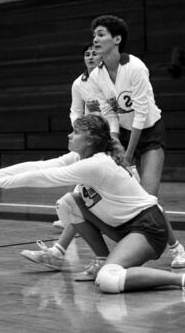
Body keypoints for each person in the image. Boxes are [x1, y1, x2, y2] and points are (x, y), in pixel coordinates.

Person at [0, 114, 185, 294]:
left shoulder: (96, 164)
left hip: (148, 228)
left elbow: (44, 178)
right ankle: (102, 260)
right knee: (68, 203)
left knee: (108, 279)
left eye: (76, 132)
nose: (70, 135)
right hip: (123, 228)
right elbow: (37, 167)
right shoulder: (79, 158)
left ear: (90, 139)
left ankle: (180, 280)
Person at [87, 14, 185, 268]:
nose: (95, 39)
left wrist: (128, 154)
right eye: (94, 35)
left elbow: (141, 113)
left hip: (150, 131)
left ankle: (177, 249)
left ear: (117, 39)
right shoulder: (97, 76)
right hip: (125, 134)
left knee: (147, 197)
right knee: (126, 196)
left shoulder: (135, 67)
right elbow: (109, 113)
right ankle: (126, 247)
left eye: (101, 34)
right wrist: (115, 142)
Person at [53, 43, 101, 230]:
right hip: (89, 135)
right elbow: (75, 110)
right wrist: (79, 129)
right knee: (79, 170)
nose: (90, 57)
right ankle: (71, 213)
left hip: (110, 133)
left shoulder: (110, 80)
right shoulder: (78, 83)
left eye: (94, 53)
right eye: (87, 54)